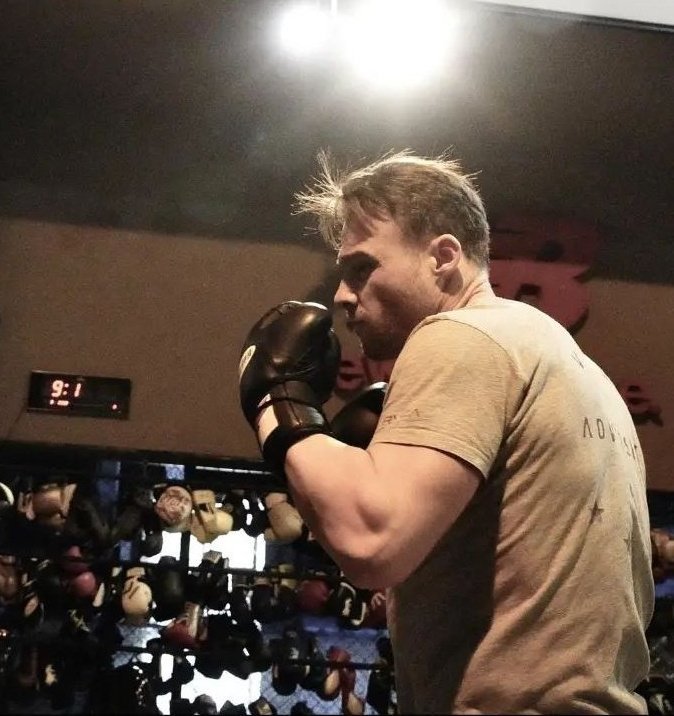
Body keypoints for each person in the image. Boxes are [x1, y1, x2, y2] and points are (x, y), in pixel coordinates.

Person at [238, 150, 654, 714]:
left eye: (361, 268)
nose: (341, 295)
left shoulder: (460, 336)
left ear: (443, 257)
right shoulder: (569, 363)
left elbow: (371, 542)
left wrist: (277, 401)